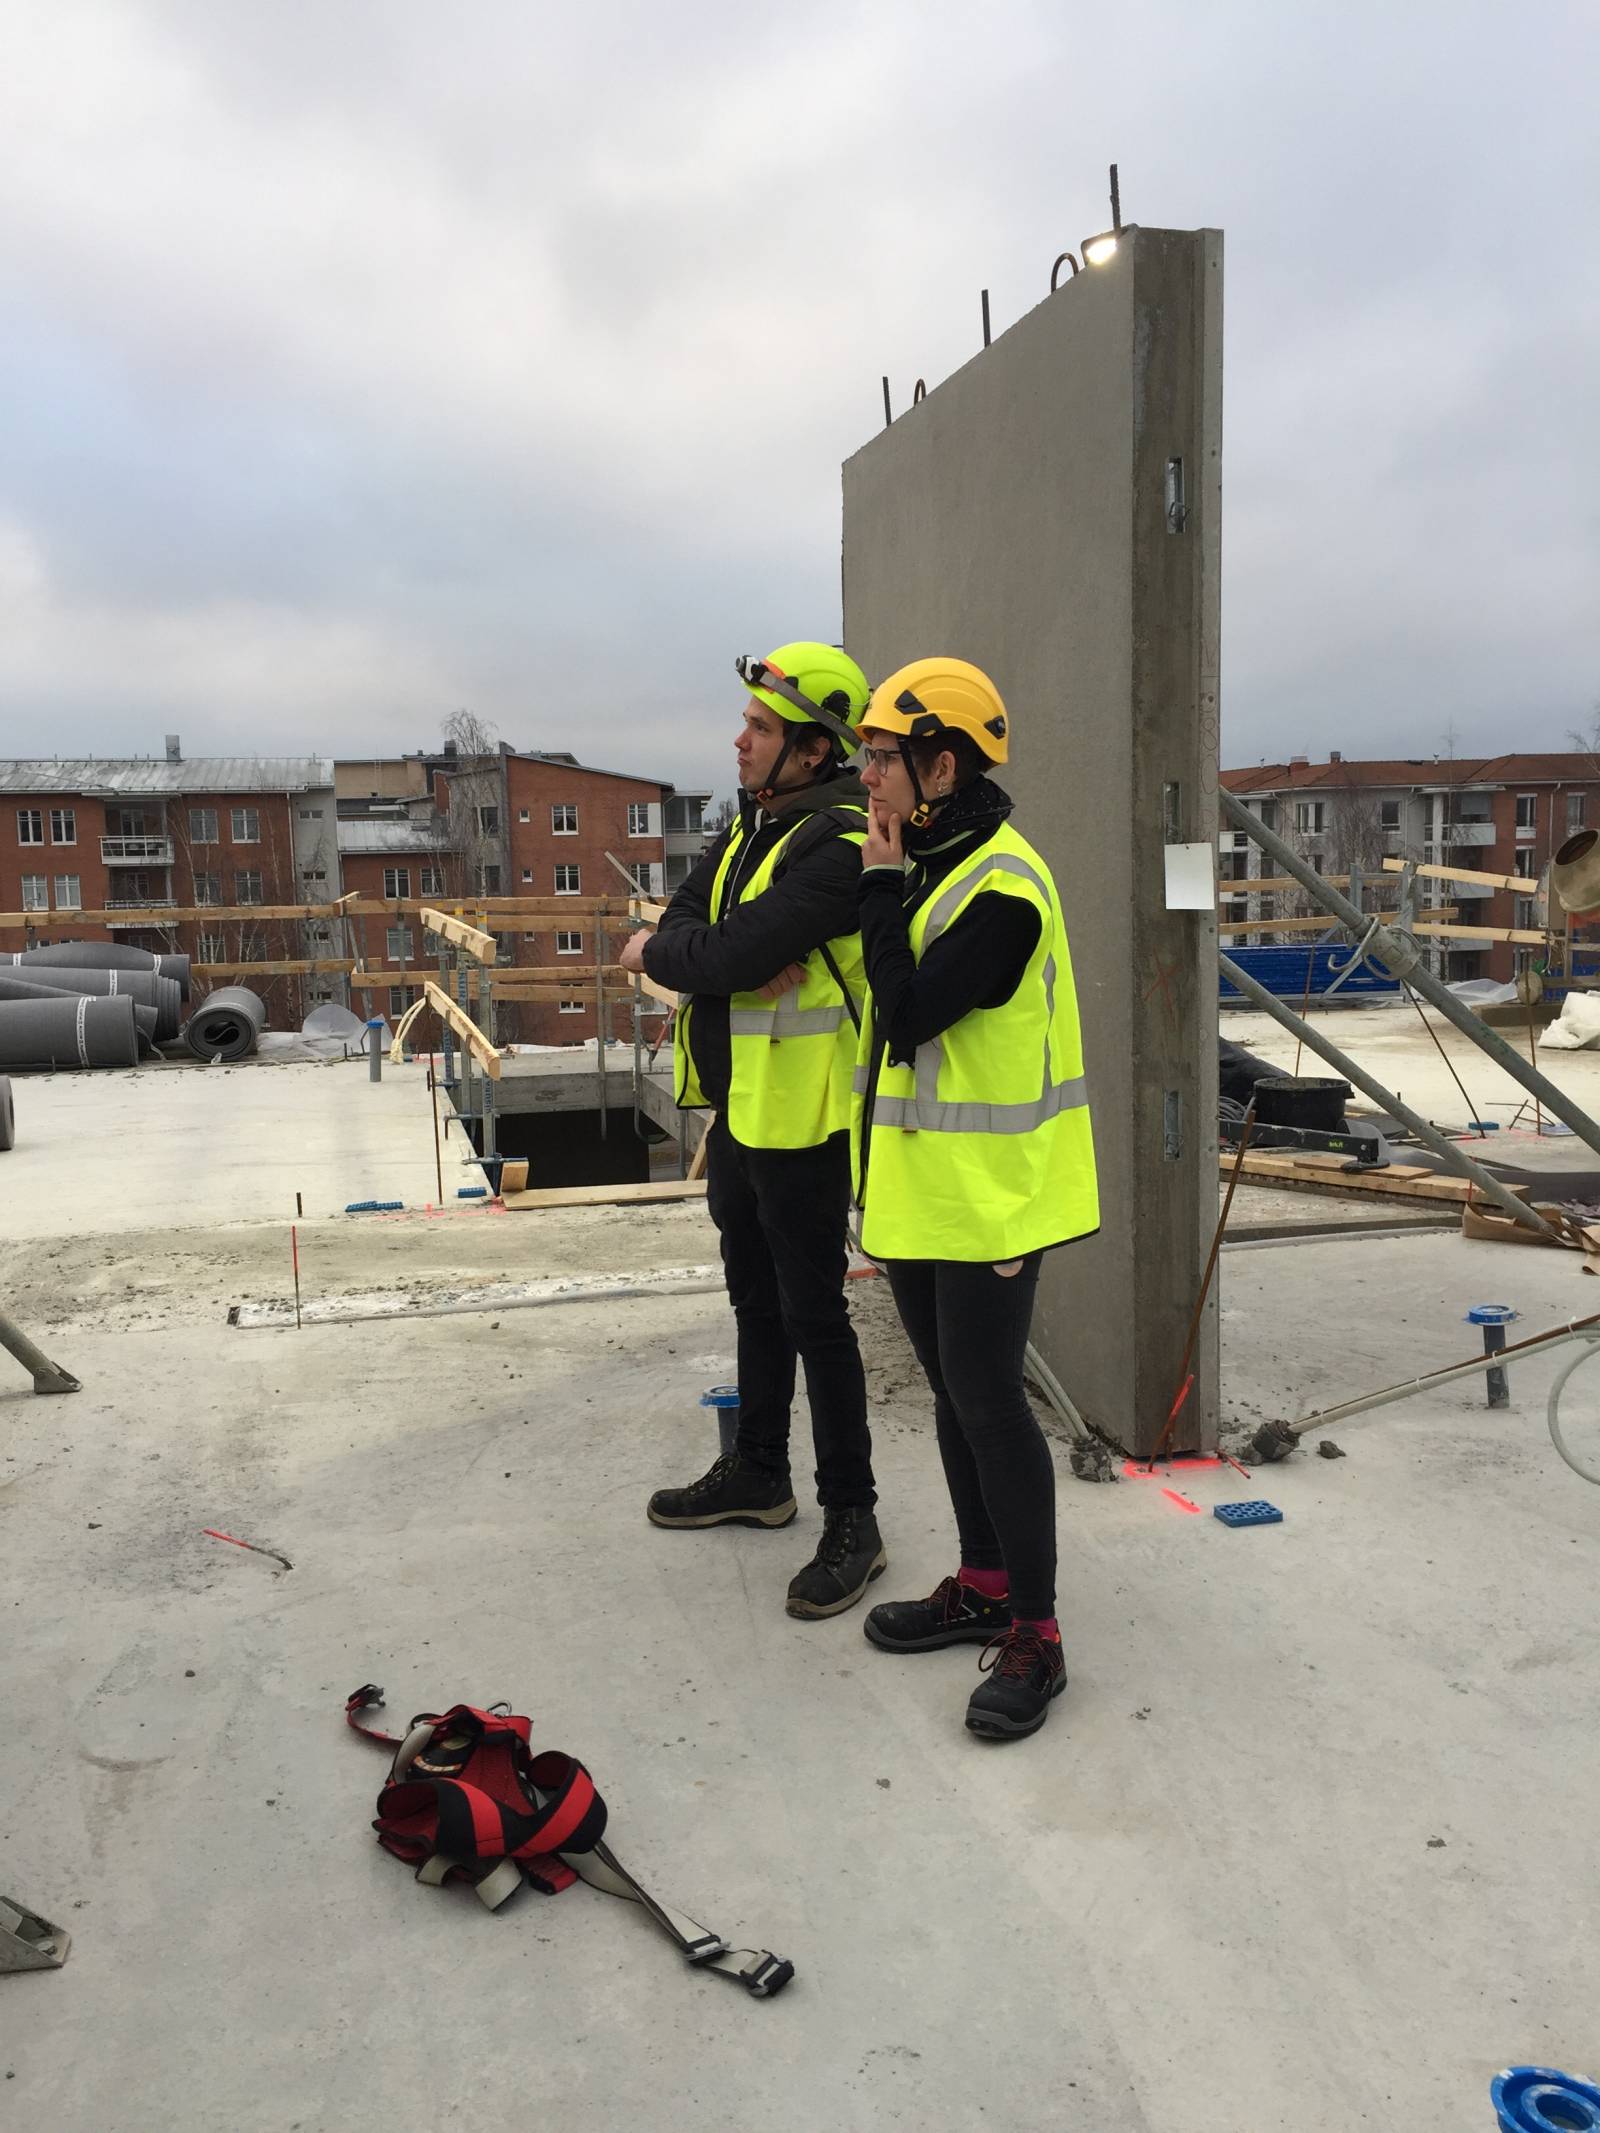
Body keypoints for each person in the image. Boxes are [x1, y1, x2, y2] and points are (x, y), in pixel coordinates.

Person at [848, 657, 1098, 1738]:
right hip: (920, 1194)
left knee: (992, 1407)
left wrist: (874, 886)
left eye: (883, 755)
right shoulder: (933, 865)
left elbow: (903, 1015)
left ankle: (1033, 1635)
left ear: (940, 764)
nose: (866, 774)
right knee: (954, 1399)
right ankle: (983, 1584)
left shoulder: (1002, 889)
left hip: (992, 1199)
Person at [618, 642, 886, 1620]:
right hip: (743, 1114)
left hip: (808, 1122)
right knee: (755, 1303)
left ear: (814, 750)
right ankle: (759, 1474)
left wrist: (691, 955)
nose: (739, 741)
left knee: (817, 1318)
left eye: (761, 729)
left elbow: (722, 946)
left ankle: (853, 1520)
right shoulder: (753, 829)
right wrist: (685, 954)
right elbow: (689, 938)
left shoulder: (841, 837)